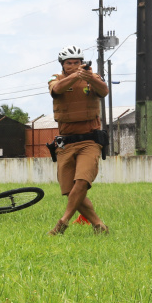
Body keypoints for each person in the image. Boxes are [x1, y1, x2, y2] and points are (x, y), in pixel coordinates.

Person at [46, 45, 109, 236]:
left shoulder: (93, 78)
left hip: (90, 141)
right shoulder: (55, 79)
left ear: (82, 62)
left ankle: (62, 222)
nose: (73, 66)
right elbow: (56, 89)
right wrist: (76, 76)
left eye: (77, 63)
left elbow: (104, 91)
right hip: (66, 143)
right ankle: (98, 224)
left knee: (81, 182)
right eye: (69, 63)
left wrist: (89, 77)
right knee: (69, 190)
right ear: (63, 65)